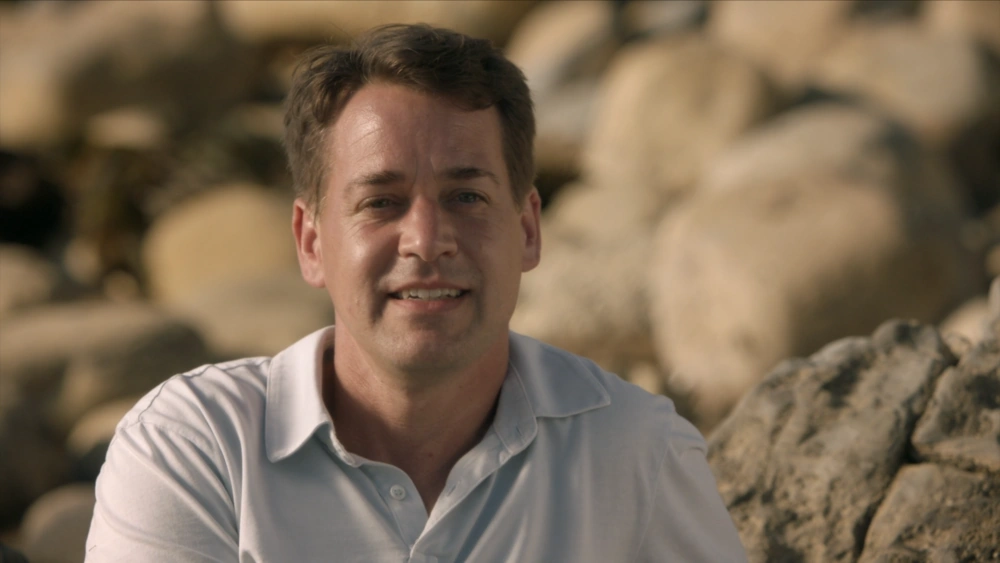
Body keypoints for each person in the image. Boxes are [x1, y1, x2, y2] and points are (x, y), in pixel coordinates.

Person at [85, 23, 746, 562]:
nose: (427, 240)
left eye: (466, 196)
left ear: (527, 230)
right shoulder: (197, 449)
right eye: (381, 201)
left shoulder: (639, 454)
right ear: (311, 242)